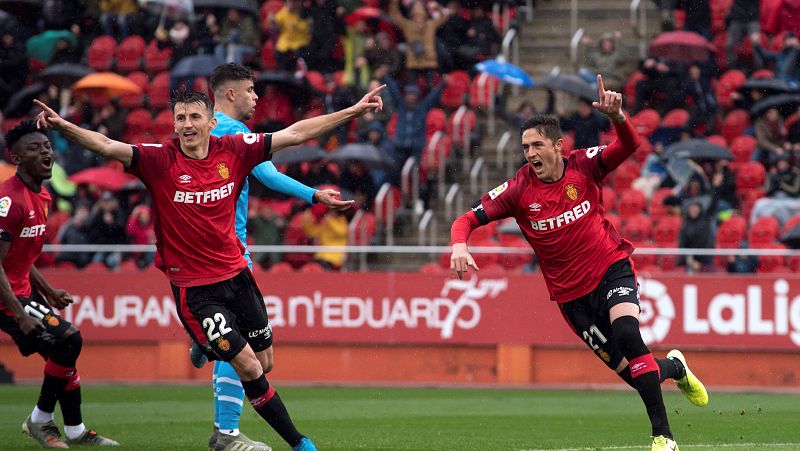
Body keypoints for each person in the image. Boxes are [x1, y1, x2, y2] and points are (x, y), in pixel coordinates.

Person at [34, 80, 384, 451]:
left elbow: (295, 132)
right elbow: (105, 145)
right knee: (248, 366)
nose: (187, 124)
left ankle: (205, 343)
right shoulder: (159, 159)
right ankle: (298, 444)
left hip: (237, 275)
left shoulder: (234, 149)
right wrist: (64, 126)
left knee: (265, 363)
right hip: (196, 289)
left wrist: (353, 111)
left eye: (194, 117)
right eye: (180, 117)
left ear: (211, 121)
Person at [448, 75, 708, 451]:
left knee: (627, 334)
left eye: (537, 145)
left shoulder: (584, 165)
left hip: (610, 268)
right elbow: (465, 220)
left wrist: (618, 117)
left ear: (557, 145)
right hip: (572, 299)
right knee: (638, 373)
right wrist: (459, 245)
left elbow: (630, 144)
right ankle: (676, 369)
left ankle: (663, 438)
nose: (530, 153)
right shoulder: (519, 190)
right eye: (525, 147)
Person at [190, 62, 355, 451]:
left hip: (212, 251)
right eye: (250, 90)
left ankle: (204, 344)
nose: (256, 97)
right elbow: (269, 175)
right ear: (230, 94)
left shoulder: (201, 132)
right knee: (247, 350)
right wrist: (314, 194)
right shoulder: (232, 132)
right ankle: (227, 433)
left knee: (250, 355)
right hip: (229, 253)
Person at [0, 121, 118, 448]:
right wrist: (20, 315)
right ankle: (40, 420)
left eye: (48, 146)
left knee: (62, 353)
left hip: (21, 291)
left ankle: (75, 430)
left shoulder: (43, 195)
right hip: (6, 298)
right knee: (69, 340)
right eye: (35, 148)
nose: (46, 152)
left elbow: (21, 256)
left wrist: (48, 290)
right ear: (17, 157)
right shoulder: (9, 201)